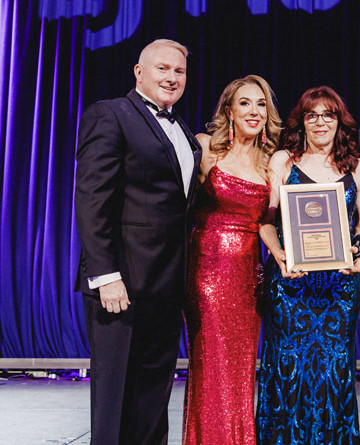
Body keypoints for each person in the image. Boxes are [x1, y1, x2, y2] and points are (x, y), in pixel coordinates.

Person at [74, 39, 201, 444]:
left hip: (166, 287)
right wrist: (105, 274)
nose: (171, 77)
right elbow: (92, 200)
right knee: (114, 398)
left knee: (152, 396)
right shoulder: (111, 114)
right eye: (162, 68)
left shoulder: (182, 127)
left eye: (179, 71)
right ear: (138, 71)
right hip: (121, 285)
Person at [256, 86, 360, 444]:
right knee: (288, 373)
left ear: (340, 122)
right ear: (302, 122)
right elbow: (265, 222)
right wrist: (280, 256)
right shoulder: (283, 162)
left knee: (334, 375)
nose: (320, 122)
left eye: (328, 115)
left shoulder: (357, 168)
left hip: (339, 289)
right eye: (312, 115)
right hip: (291, 286)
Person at [182, 74, 280, 444]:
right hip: (206, 275)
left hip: (248, 278)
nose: (253, 111)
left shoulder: (274, 160)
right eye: (245, 103)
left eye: (260, 104)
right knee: (211, 367)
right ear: (230, 110)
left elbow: (275, 220)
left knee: (240, 371)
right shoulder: (206, 148)